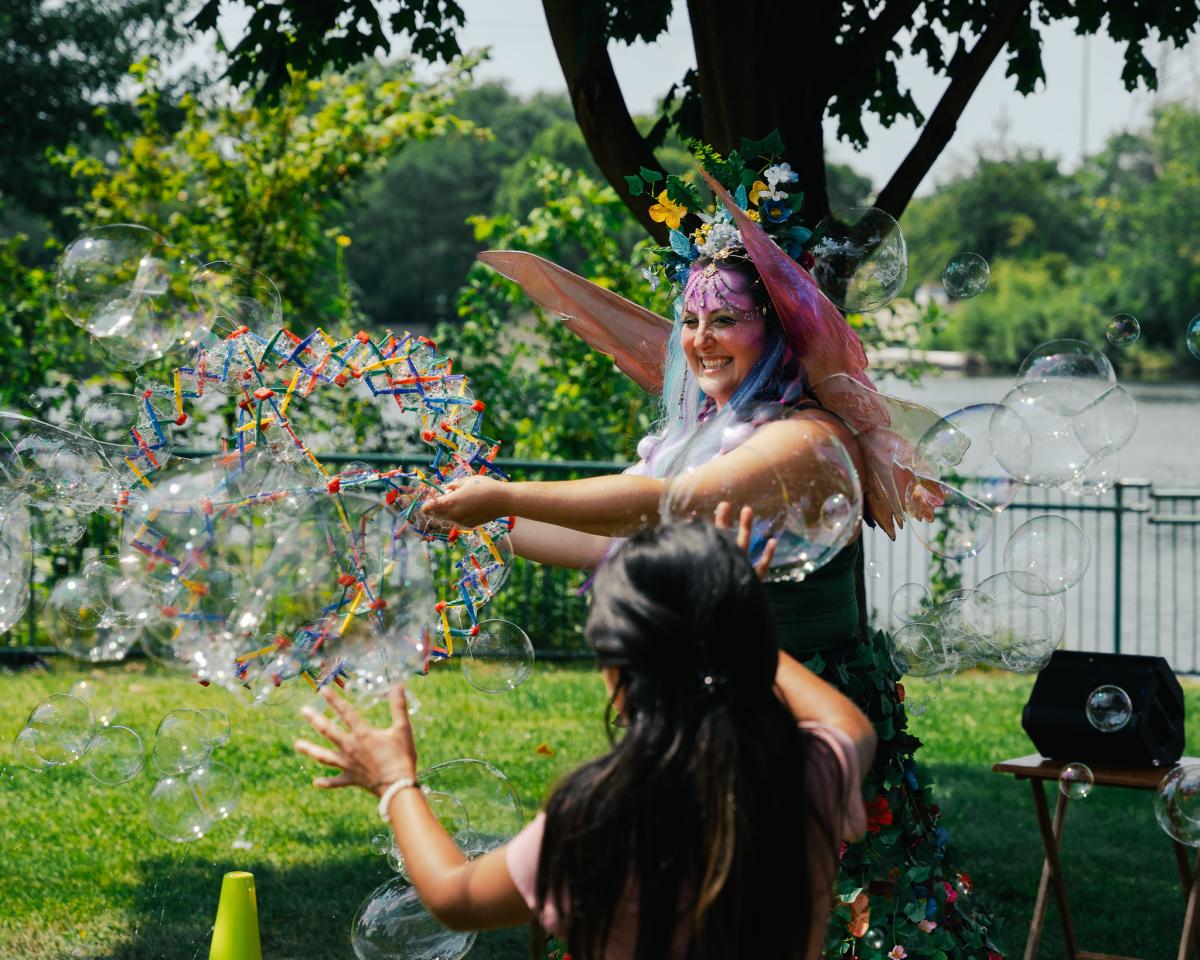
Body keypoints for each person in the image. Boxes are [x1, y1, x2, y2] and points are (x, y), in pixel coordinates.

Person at [295, 516, 875, 960]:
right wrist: (732, 617)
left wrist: (395, 782)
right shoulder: (808, 770)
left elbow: (454, 896)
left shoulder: (603, 814)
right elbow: (849, 723)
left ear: (618, 671)